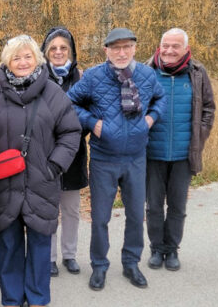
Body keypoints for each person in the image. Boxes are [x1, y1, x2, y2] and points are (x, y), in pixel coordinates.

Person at [0, 35, 81, 307]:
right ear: (7, 62)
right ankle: (12, 296)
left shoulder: (53, 93)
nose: (22, 62)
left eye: (28, 56)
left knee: (40, 239)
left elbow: (71, 132)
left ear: (37, 60)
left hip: (42, 179)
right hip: (6, 181)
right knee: (9, 241)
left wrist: (54, 167)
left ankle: (38, 295)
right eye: (16, 57)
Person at [68, 28, 166, 291]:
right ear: (106, 51)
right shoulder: (93, 77)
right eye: (115, 48)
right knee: (101, 217)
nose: (121, 53)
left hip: (136, 158)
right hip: (104, 159)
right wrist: (92, 122)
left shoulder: (146, 75)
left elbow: (161, 98)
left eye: (126, 47)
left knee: (135, 215)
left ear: (134, 48)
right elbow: (70, 102)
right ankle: (99, 265)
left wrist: (151, 118)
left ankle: (131, 263)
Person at [145, 28, 216, 272]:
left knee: (177, 206)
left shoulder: (197, 72)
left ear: (186, 49)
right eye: (165, 45)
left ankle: (172, 249)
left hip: (183, 155)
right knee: (153, 206)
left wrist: (199, 136)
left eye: (175, 46)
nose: (169, 50)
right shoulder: (147, 71)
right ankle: (156, 248)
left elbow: (208, 108)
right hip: (151, 153)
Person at [40, 27, 87, 277]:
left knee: (71, 209)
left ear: (71, 51)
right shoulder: (39, 77)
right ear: (46, 52)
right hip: (46, 153)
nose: (58, 52)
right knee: (49, 208)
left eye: (63, 48)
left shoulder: (80, 77)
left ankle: (69, 255)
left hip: (75, 152)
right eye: (53, 49)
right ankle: (50, 258)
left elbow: (89, 112)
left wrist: (75, 134)